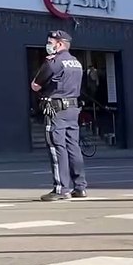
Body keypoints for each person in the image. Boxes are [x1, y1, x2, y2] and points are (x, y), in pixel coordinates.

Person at [31, 30, 86, 201]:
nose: (48, 45)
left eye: (51, 42)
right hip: (73, 110)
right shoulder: (76, 63)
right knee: (73, 147)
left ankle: (61, 189)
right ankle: (80, 187)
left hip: (56, 110)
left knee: (57, 148)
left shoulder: (54, 62)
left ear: (59, 44)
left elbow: (35, 85)